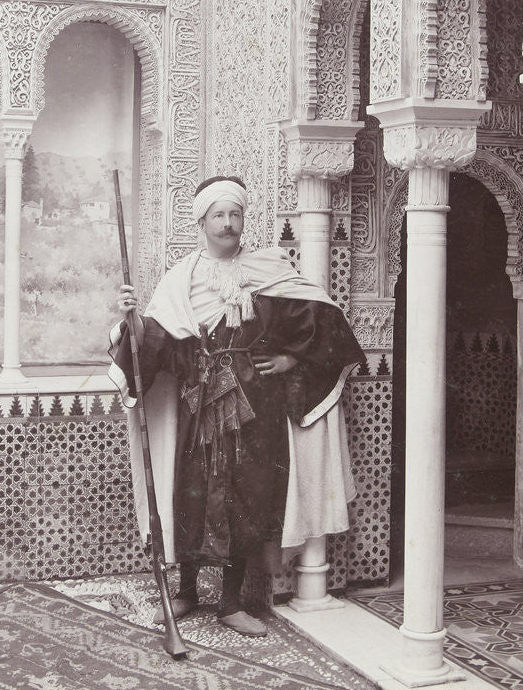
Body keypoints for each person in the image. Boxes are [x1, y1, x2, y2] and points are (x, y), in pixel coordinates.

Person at [109, 176, 364, 637]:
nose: (228, 224)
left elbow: (324, 321)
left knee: (247, 496)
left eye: (235, 214)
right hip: (198, 401)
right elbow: (158, 343)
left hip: (256, 406)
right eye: (219, 216)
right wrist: (130, 323)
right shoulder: (180, 279)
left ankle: (230, 602)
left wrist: (291, 358)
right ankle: (187, 591)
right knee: (192, 493)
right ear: (201, 222)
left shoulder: (270, 269)